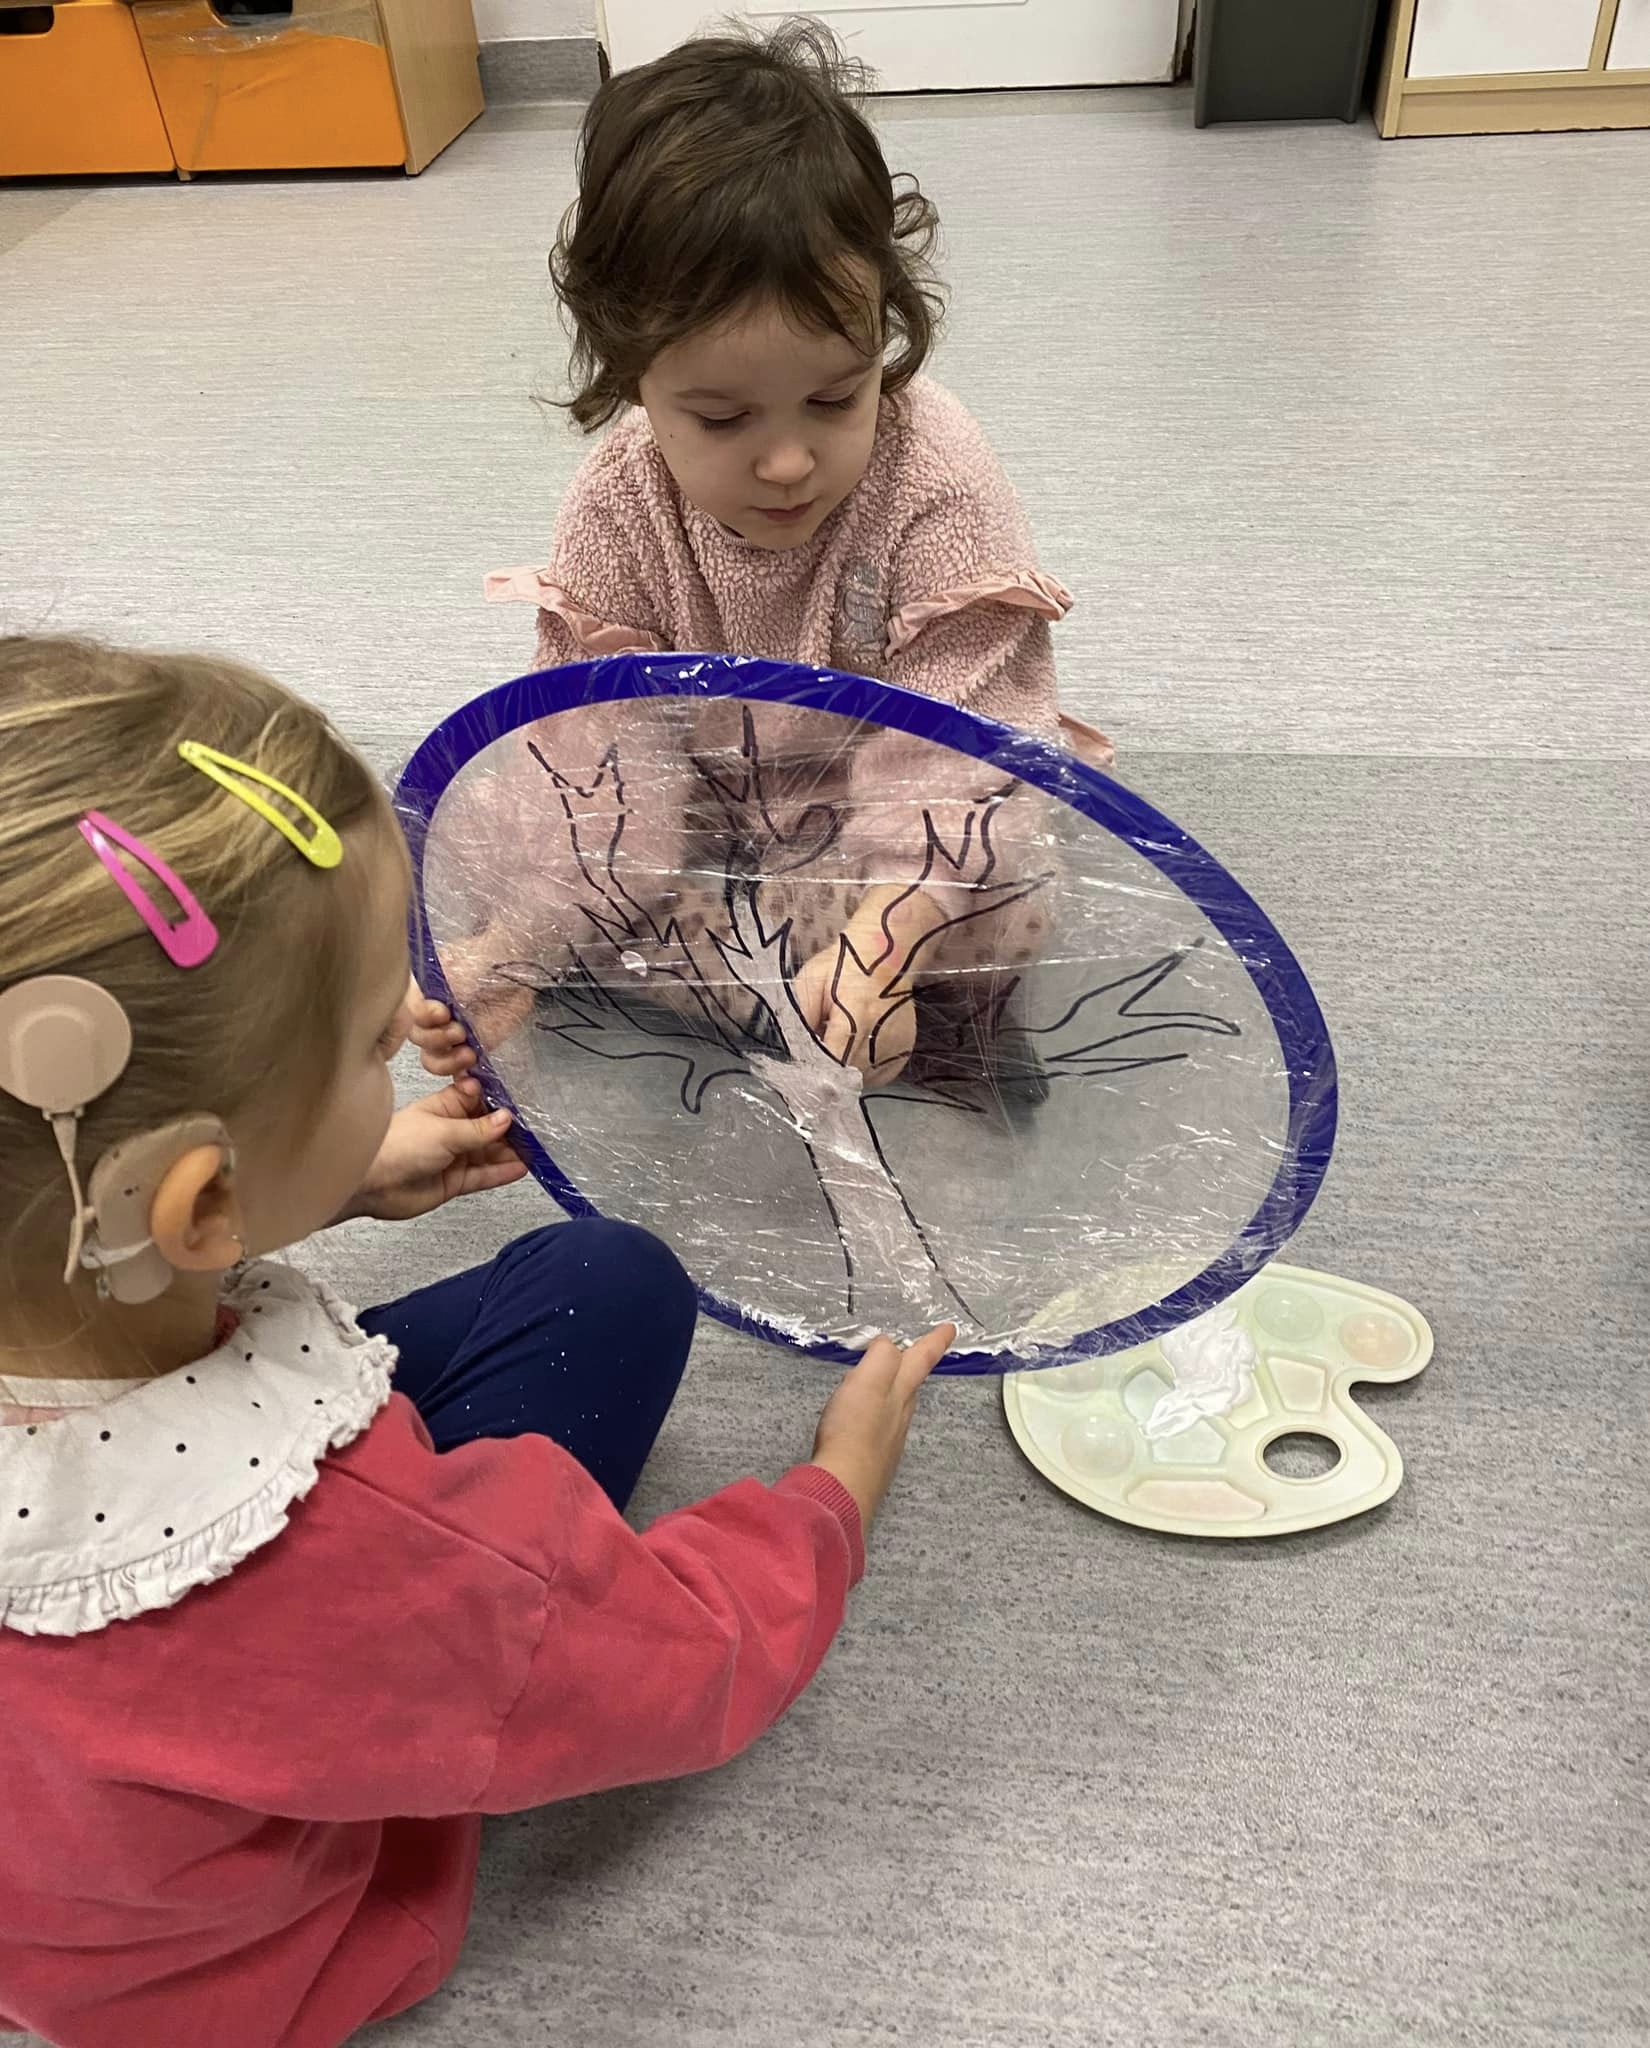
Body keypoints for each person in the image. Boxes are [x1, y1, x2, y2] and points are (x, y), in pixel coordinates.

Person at [0, 633, 952, 2048]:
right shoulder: (341, 1565)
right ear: (196, 1208)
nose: (412, 1025)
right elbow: (672, 1665)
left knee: (599, 1274)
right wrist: (831, 1498)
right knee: (613, 1293)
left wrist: (324, 1178)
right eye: (366, 1046)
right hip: (240, 1976)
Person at [418, 19, 1112, 1097]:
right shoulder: (618, 500)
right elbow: (598, 755)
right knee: (523, 851)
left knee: (1006, 901)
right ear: (633, 375)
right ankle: (788, 1000)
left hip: (876, 829)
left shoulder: (937, 476)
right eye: (722, 417)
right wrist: (520, 944)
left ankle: (874, 1009)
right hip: (701, 821)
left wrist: (887, 936)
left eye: (835, 398)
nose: (788, 462)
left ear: (884, 332)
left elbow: (964, 742)